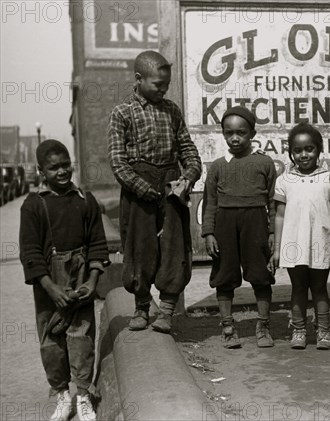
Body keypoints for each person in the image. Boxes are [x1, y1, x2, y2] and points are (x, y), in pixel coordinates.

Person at [107, 50, 202, 334]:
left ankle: (168, 311)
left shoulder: (171, 110)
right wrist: (139, 186)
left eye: (166, 85)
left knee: (174, 247)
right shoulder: (122, 112)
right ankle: (141, 307)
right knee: (139, 248)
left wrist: (187, 178)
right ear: (138, 79)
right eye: (157, 84)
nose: (162, 90)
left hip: (172, 188)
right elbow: (117, 161)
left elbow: (188, 151)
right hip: (138, 192)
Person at [19, 139, 109, 421]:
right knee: (51, 339)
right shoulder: (34, 205)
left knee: (81, 336)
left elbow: (97, 243)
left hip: (81, 276)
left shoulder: (85, 200)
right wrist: (50, 287)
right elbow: (30, 252)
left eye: (65, 165)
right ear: (41, 171)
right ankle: (61, 395)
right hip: (49, 282)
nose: (61, 172)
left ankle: (83, 394)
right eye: (53, 167)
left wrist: (93, 281)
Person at [202, 106, 277, 349]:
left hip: (255, 223)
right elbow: (210, 203)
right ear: (223, 134)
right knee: (224, 276)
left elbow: (272, 202)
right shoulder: (217, 167)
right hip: (225, 224)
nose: (235, 138)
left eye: (241, 133)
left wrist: (274, 231)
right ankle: (227, 326)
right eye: (229, 132)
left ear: (252, 133)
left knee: (261, 275)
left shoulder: (264, 163)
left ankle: (263, 325)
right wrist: (209, 232)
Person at [271, 123, 330, 350]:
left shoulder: (329, 178)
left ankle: (323, 330)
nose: (304, 155)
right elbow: (280, 216)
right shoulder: (284, 180)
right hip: (294, 244)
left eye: (309, 149)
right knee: (299, 287)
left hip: (321, 242)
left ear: (320, 150)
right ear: (290, 153)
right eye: (298, 150)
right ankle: (299, 329)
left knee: (320, 288)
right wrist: (276, 248)